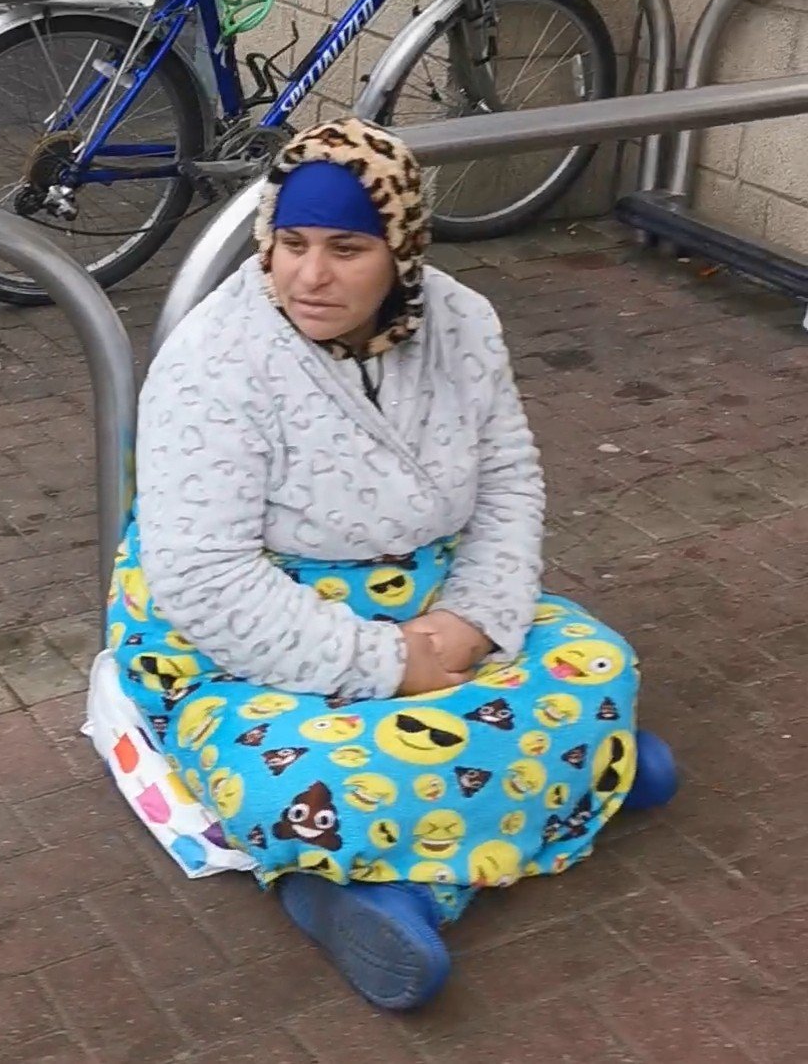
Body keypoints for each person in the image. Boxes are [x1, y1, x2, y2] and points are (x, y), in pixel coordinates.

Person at [102, 117, 677, 1010]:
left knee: (602, 661)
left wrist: (473, 618)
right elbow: (206, 579)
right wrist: (388, 663)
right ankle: (415, 869)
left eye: (346, 247)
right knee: (307, 774)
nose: (310, 275)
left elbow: (509, 483)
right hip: (253, 630)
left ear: (402, 249)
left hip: (435, 591)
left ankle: (493, 802)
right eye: (290, 243)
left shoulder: (463, 323)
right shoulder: (215, 361)